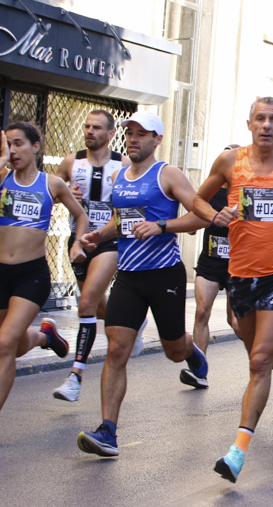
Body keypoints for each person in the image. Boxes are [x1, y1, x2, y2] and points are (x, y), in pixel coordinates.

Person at [187, 99, 273, 481]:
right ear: (249, 123)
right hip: (241, 274)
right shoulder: (229, 162)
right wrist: (214, 215)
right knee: (249, 342)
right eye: (260, 119)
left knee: (257, 359)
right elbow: (198, 199)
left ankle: (237, 451)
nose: (267, 125)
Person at [75, 111, 210, 457]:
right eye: (129, 133)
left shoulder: (167, 174)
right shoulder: (119, 176)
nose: (133, 139)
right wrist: (97, 235)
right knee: (117, 349)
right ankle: (108, 431)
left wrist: (162, 226)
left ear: (157, 139)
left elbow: (198, 215)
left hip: (164, 274)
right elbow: (122, 220)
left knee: (172, 351)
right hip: (129, 277)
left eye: (141, 134)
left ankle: (192, 354)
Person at [0, 123, 86, 445]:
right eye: (7, 145)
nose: (13, 150)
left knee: (4, 344)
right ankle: (45, 337)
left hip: (32, 274)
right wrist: (1, 161)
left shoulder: (52, 184)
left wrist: (77, 244)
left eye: (18, 144)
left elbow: (81, 215)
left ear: (36, 146)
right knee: (14, 345)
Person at [52, 110, 131, 402]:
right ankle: (129, 323)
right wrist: (65, 193)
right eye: (87, 126)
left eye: (97, 128)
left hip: (109, 242)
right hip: (79, 242)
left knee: (85, 304)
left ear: (111, 134)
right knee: (97, 307)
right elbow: (51, 190)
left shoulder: (122, 164)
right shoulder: (71, 162)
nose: (90, 131)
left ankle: (75, 376)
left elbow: (133, 198)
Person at [185, 144, 243, 390]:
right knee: (202, 311)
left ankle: (265, 360)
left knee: (236, 323)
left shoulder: (245, 192)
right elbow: (193, 220)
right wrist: (202, 219)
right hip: (210, 261)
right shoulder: (211, 191)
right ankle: (200, 371)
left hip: (238, 264)